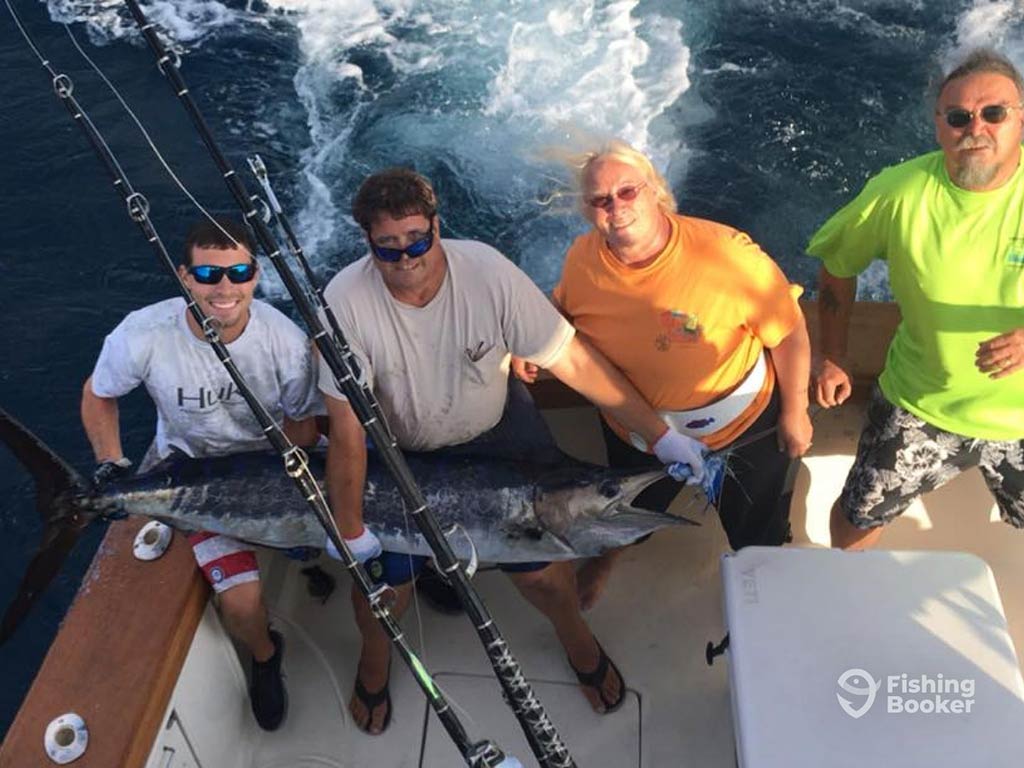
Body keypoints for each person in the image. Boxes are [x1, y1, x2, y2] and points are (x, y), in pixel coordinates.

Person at [320, 167, 710, 734]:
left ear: (436, 226)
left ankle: (578, 643)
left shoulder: (486, 270)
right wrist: (350, 528)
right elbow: (349, 429)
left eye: (417, 241)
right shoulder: (344, 302)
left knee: (546, 579)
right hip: (399, 452)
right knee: (380, 593)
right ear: (368, 244)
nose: (406, 259)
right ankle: (375, 663)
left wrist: (661, 435)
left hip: (497, 430)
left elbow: (572, 361)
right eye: (388, 248)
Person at [517, 139, 813, 610]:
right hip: (637, 432)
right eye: (601, 200)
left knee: (758, 527)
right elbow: (565, 309)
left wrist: (796, 411)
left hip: (744, 429)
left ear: (655, 190)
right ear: (588, 210)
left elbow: (789, 331)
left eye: (628, 191)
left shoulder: (727, 254)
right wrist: (534, 343)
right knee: (630, 510)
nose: (616, 207)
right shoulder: (582, 260)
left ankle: (762, 580)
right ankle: (615, 554)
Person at [81, 217, 322, 731]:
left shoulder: (285, 339)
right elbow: (98, 394)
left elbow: (303, 425)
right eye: (209, 274)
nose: (225, 288)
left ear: (256, 276)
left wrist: (291, 507)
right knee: (240, 604)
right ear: (184, 276)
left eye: (238, 271)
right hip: (191, 477)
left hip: (273, 470)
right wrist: (111, 465)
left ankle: (300, 545)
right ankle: (264, 656)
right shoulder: (144, 334)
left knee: (348, 528)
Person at [808, 48, 1024, 550]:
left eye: (994, 113)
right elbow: (837, 266)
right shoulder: (898, 192)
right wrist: (834, 356)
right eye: (958, 117)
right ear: (939, 127)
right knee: (859, 512)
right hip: (921, 403)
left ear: (1020, 120)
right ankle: (848, 589)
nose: (976, 128)